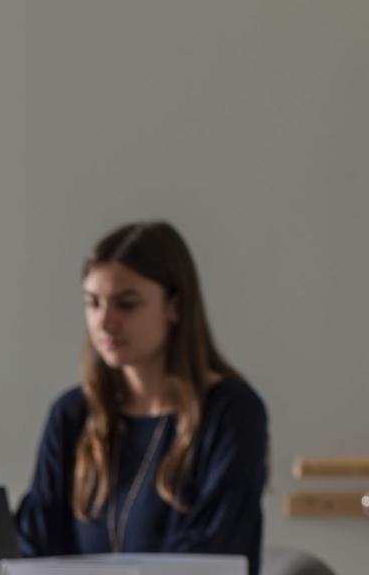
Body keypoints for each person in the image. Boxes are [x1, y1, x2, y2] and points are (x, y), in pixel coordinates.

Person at [15, 221, 269, 573]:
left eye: (126, 304)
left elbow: (214, 552)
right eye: (93, 304)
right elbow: (35, 547)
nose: (105, 323)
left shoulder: (230, 411)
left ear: (174, 306)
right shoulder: (73, 414)